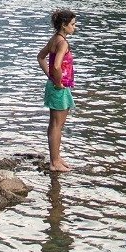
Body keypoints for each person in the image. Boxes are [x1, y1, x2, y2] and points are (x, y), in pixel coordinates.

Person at [38, 9, 77, 173]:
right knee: (56, 125)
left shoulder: (55, 39)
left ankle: (56, 157)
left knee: (54, 124)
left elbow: (40, 57)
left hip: (54, 86)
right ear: (64, 25)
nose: (75, 27)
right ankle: (55, 162)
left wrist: (50, 77)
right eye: (73, 24)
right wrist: (59, 82)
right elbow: (56, 65)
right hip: (58, 88)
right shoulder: (63, 43)